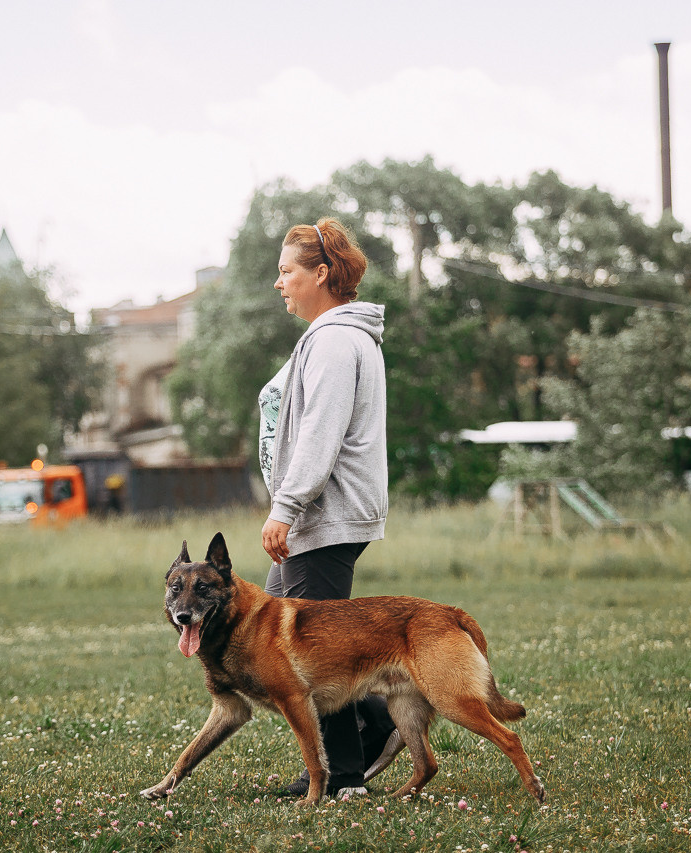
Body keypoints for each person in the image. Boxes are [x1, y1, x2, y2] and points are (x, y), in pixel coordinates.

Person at [258, 217, 400, 801]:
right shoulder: (329, 335)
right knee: (282, 631)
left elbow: (321, 433)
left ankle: (344, 773)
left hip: (325, 513)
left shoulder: (337, 341)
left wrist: (286, 507)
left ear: (321, 273)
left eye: (287, 270)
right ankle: (377, 724)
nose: (279, 282)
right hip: (321, 513)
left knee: (310, 652)